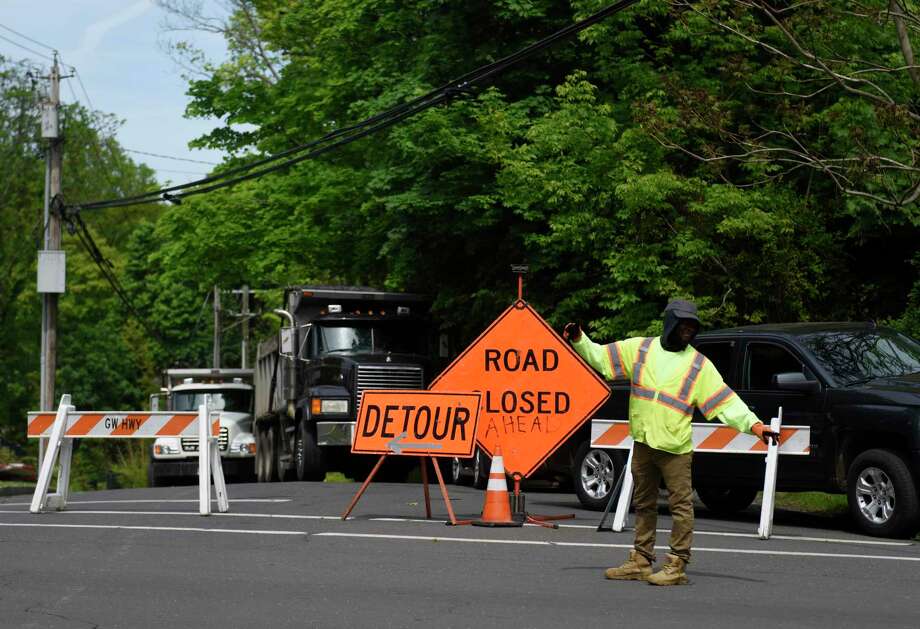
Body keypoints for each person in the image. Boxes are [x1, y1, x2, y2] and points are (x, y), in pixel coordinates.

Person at [563, 299, 778, 586]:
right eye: (683, 325)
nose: (688, 331)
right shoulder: (639, 349)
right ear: (670, 323)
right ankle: (641, 560)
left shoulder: (698, 365)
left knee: (681, 507)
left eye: (692, 327)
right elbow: (603, 359)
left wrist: (755, 425)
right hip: (643, 442)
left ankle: (677, 564)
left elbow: (726, 402)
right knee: (643, 503)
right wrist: (580, 339)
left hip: (675, 450)